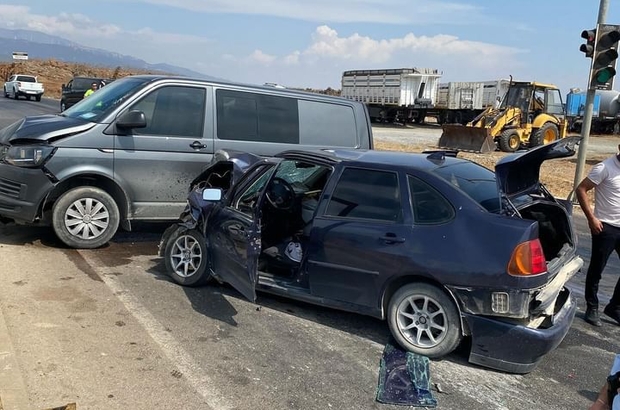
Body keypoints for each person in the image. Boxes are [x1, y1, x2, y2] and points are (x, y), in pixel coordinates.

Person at [576, 145, 620, 327]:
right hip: (605, 227)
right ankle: (591, 307)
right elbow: (581, 189)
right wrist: (591, 218)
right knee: (597, 269)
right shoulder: (604, 168)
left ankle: (614, 307)